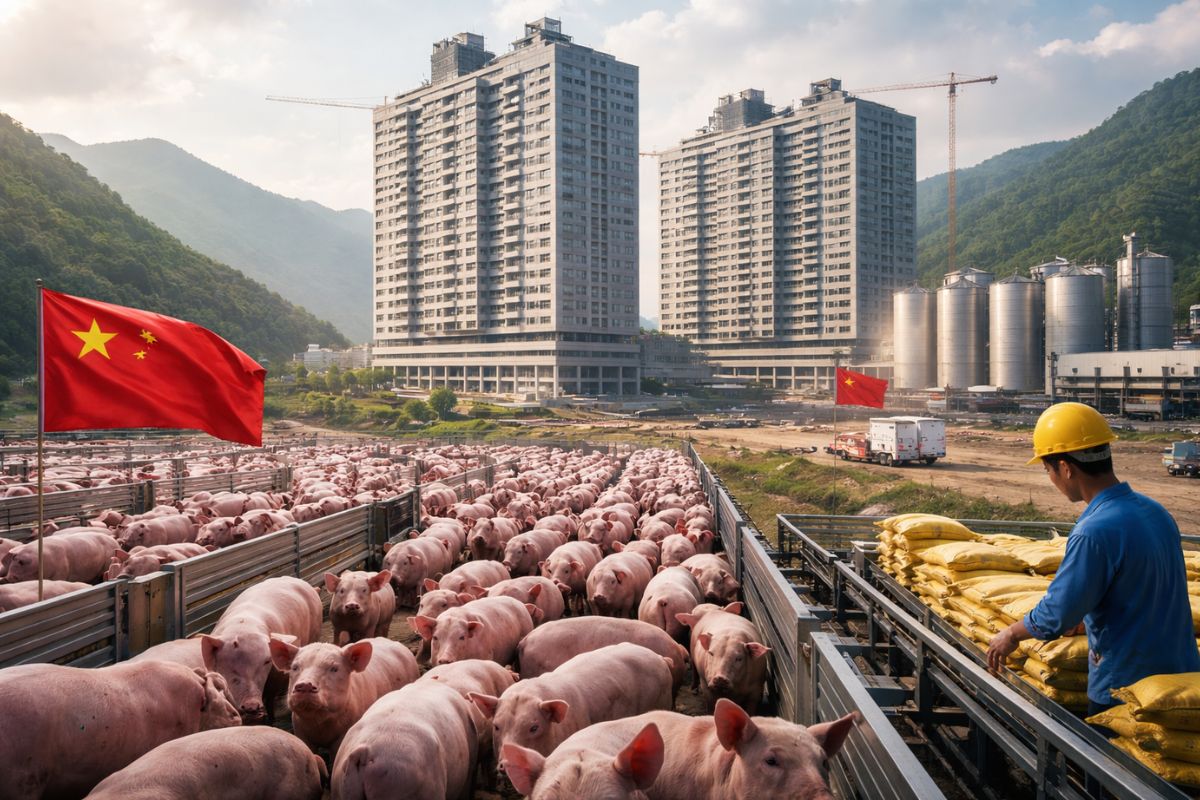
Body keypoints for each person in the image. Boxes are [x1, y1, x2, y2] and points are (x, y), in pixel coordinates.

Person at [986, 402, 1199, 716]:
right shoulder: (1156, 513)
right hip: (1179, 680)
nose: (1051, 479)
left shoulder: (1093, 531)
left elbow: (1057, 613)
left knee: (1110, 763)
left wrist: (1011, 634)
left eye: (1048, 470)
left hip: (1125, 687)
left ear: (1066, 467)